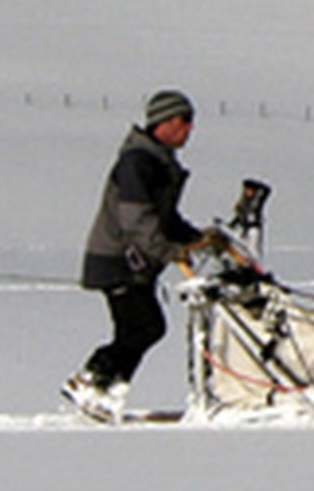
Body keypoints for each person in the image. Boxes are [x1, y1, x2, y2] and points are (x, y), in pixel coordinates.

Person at [63, 89, 215, 422]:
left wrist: (196, 238)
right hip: (119, 260)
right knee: (144, 326)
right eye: (183, 121)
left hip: (135, 261)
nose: (189, 129)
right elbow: (136, 221)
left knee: (141, 328)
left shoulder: (157, 160)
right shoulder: (138, 162)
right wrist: (171, 251)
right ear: (164, 121)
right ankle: (90, 381)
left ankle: (105, 392)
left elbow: (163, 217)